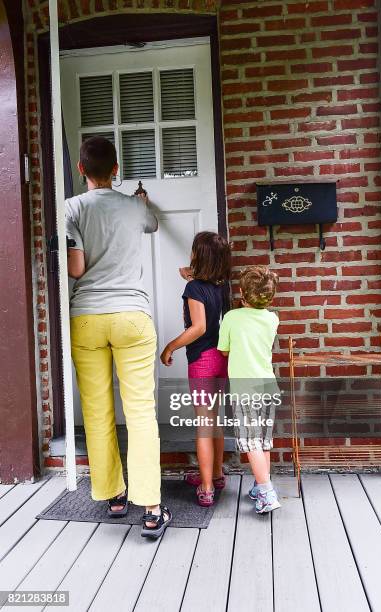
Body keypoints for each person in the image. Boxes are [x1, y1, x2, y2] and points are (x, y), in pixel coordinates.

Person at [66, 136, 171, 539]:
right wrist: (139, 198)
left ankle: (112, 495)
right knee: (141, 411)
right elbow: (153, 224)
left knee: (96, 410)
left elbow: (76, 269)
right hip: (131, 316)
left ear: (80, 170)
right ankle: (151, 509)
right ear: (115, 169)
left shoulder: (70, 208)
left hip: (88, 318)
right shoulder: (134, 206)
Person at [160, 232, 231, 507]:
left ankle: (206, 487)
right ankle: (216, 474)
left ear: (198, 257)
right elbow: (210, 307)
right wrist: (193, 278)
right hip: (220, 359)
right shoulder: (220, 286)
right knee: (215, 421)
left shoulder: (194, 289)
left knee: (204, 425)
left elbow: (198, 327)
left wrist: (170, 346)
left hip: (201, 360)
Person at [217, 265, 281, 514]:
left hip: (245, 389)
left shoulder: (232, 318)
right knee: (263, 441)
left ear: (241, 292)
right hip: (268, 386)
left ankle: (266, 492)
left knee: (251, 442)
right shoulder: (272, 318)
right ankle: (260, 484)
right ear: (271, 296)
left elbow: (224, 350)